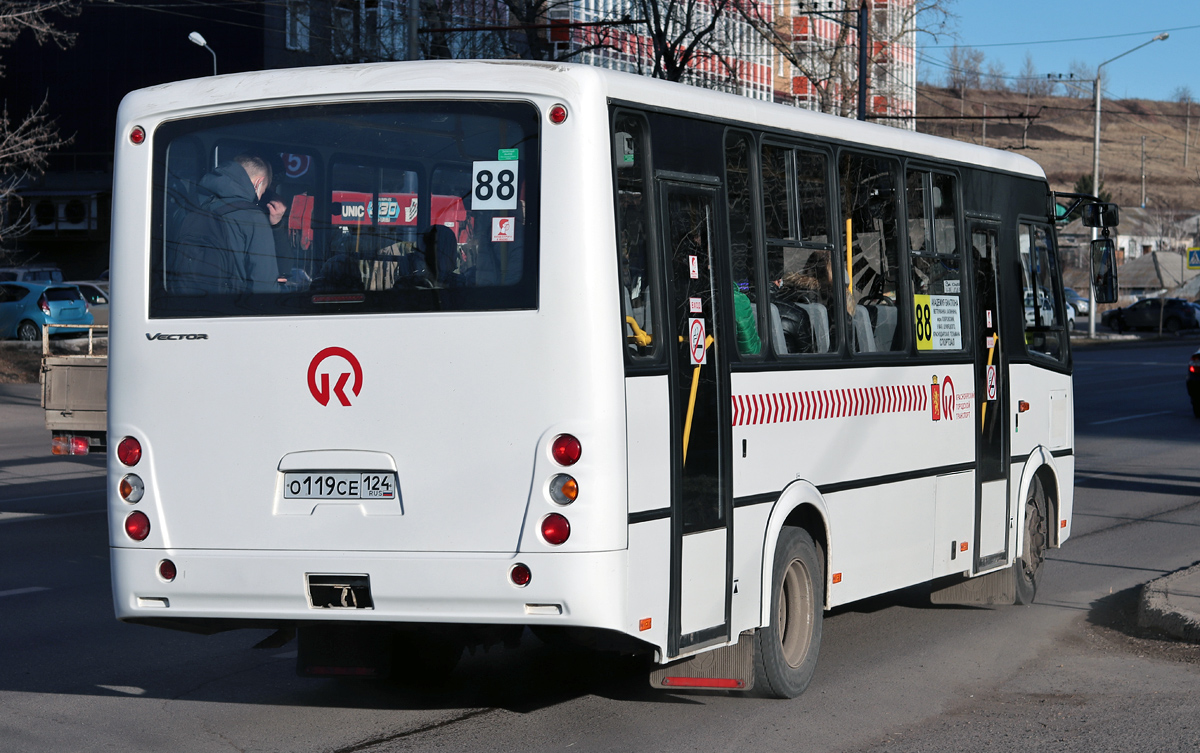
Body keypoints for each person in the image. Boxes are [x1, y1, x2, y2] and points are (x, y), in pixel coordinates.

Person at [197, 154, 282, 292]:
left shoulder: (199, 205)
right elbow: (264, 285)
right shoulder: (253, 216)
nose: (260, 198)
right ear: (258, 183)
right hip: (231, 306)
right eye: (263, 191)